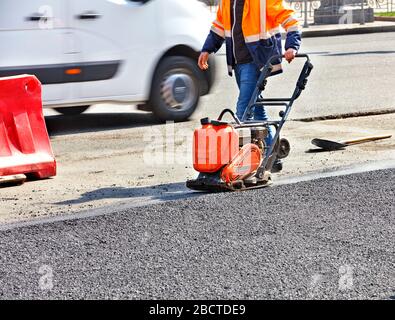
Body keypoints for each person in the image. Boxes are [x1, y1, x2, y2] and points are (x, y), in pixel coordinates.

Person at [198, 0, 301, 171]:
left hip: (256, 61)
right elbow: (219, 27)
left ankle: (241, 164)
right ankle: (273, 156)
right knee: (257, 108)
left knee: (243, 111)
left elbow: (290, 19)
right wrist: (206, 49)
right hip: (237, 63)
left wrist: (292, 45)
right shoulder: (227, 2)